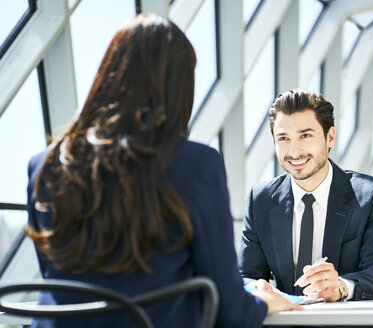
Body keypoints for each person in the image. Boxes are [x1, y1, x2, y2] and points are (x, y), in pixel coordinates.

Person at [25, 14, 300, 328]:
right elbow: (230, 309)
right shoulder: (195, 164)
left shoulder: (44, 166)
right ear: (179, 88)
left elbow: (57, 280)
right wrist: (262, 302)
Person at [239, 89, 373, 302]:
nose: (294, 152)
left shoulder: (372, 196)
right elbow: (246, 276)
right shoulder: (261, 200)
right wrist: (256, 286)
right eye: (283, 138)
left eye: (305, 136)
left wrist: (342, 287)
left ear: (330, 137)